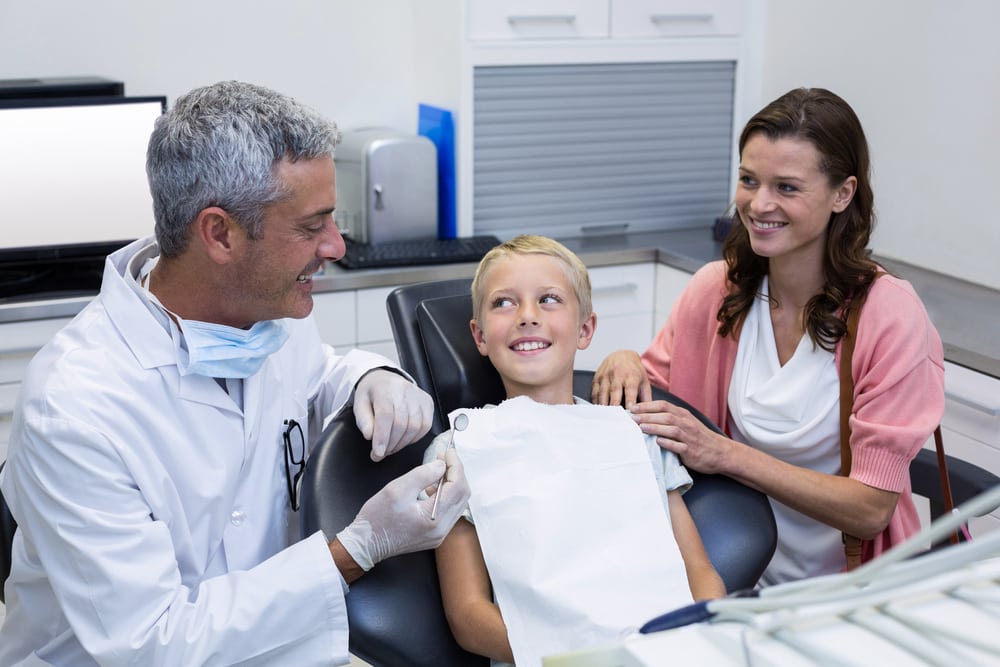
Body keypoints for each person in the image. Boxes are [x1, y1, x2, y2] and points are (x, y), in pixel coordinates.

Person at [0, 80, 470, 666]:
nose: (336, 245)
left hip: (273, 646)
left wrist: (373, 378)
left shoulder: (266, 310)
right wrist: (357, 548)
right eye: (310, 226)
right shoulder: (76, 406)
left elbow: (317, 374)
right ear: (219, 233)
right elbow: (152, 644)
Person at [591, 87, 945, 585]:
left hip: (847, 589)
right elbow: (660, 402)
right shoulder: (717, 291)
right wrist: (623, 359)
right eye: (749, 180)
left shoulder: (888, 315)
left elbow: (871, 510)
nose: (759, 204)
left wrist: (725, 455)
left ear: (843, 194)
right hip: (725, 575)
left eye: (787, 187)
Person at [426, 235, 725, 665]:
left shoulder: (633, 435)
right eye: (503, 303)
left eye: (548, 299)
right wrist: (578, 656)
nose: (527, 316)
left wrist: (702, 639)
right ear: (479, 336)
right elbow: (469, 616)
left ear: (585, 329)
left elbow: (698, 571)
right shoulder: (458, 451)